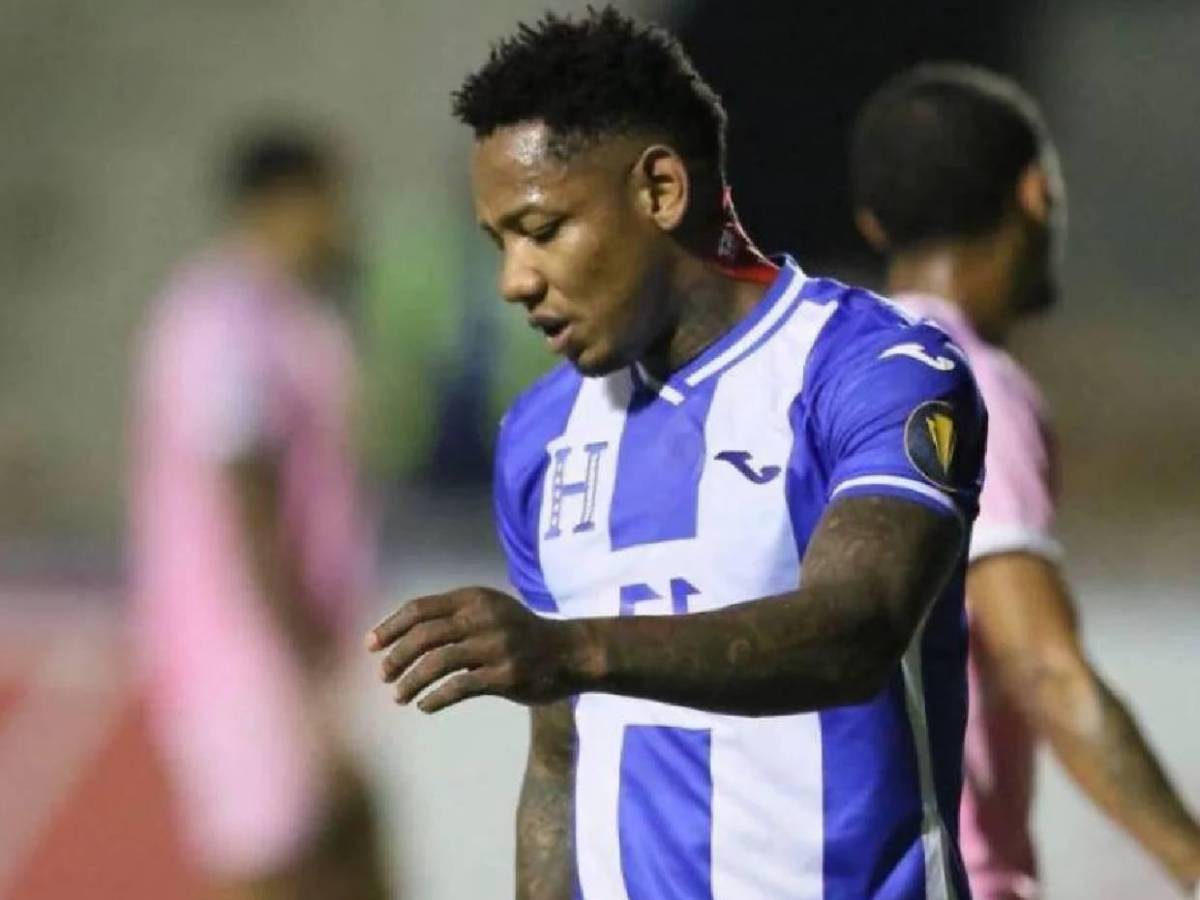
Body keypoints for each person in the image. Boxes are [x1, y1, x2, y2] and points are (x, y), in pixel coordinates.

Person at [369, 9, 986, 898]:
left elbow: (858, 629)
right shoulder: (540, 437)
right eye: (499, 244)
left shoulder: (871, 369)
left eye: (543, 229)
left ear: (660, 189)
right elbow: (559, 759)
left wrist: (575, 649)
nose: (515, 281)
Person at [850, 63, 1200, 899]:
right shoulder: (963, 384)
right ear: (1037, 195)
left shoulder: (824, 377)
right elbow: (1038, 664)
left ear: (873, 224)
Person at [130, 127, 387, 899]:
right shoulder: (217, 318)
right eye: (326, 202)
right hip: (244, 649)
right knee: (271, 861)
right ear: (278, 203)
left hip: (311, 639)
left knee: (352, 843)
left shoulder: (298, 315)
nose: (340, 223)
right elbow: (247, 495)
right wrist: (298, 656)